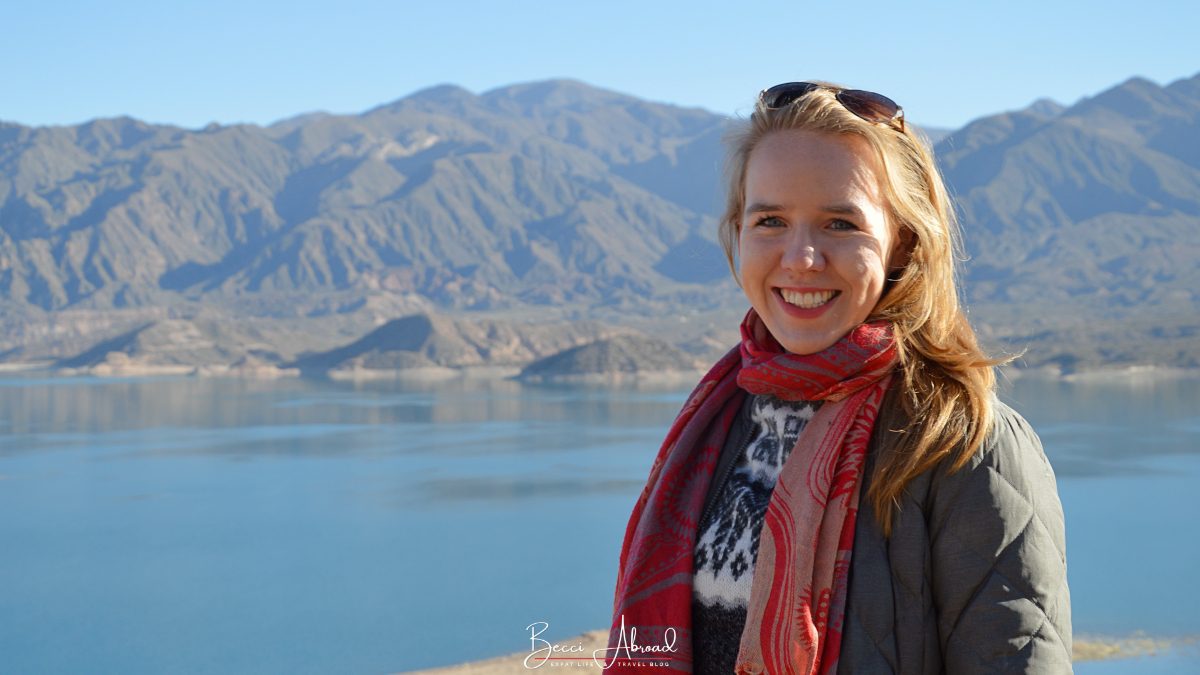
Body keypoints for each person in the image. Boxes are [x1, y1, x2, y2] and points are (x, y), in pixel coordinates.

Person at [602, 82, 1071, 674]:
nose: (801, 258)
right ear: (737, 233)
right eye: (770, 219)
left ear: (903, 241)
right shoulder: (722, 424)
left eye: (840, 225)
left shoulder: (966, 446)